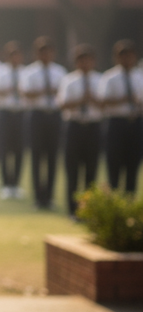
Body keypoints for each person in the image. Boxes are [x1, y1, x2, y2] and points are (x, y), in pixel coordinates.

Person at [19, 37, 67, 210]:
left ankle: (50, 196)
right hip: (37, 115)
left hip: (54, 116)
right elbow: (26, 94)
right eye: (42, 52)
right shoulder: (29, 72)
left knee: (53, 157)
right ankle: (38, 198)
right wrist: (45, 91)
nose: (46, 55)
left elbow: (64, 96)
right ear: (36, 54)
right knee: (37, 157)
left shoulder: (60, 72)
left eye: (49, 52)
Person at [58, 44, 103, 216]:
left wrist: (93, 99)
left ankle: (89, 209)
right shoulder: (69, 80)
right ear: (76, 62)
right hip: (74, 126)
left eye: (88, 60)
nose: (85, 64)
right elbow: (62, 104)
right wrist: (81, 100)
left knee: (91, 170)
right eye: (81, 60)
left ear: (93, 61)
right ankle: (72, 210)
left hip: (93, 126)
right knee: (72, 169)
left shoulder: (100, 80)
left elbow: (105, 105)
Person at [101, 39, 142, 193]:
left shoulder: (139, 76)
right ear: (116, 57)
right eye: (123, 56)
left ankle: (129, 206)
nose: (127, 59)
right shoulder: (110, 77)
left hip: (136, 123)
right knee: (114, 164)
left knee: (133, 165)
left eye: (130, 56)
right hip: (116, 123)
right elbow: (102, 102)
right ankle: (114, 203)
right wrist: (125, 99)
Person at [0, 41, 26, 200]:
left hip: (20, 114)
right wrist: (11, 89)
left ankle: (16, 184)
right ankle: (6, 184)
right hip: (5, 113)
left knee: (19, 150)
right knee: (5, 149)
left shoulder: (25, 72)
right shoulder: (1, 72)